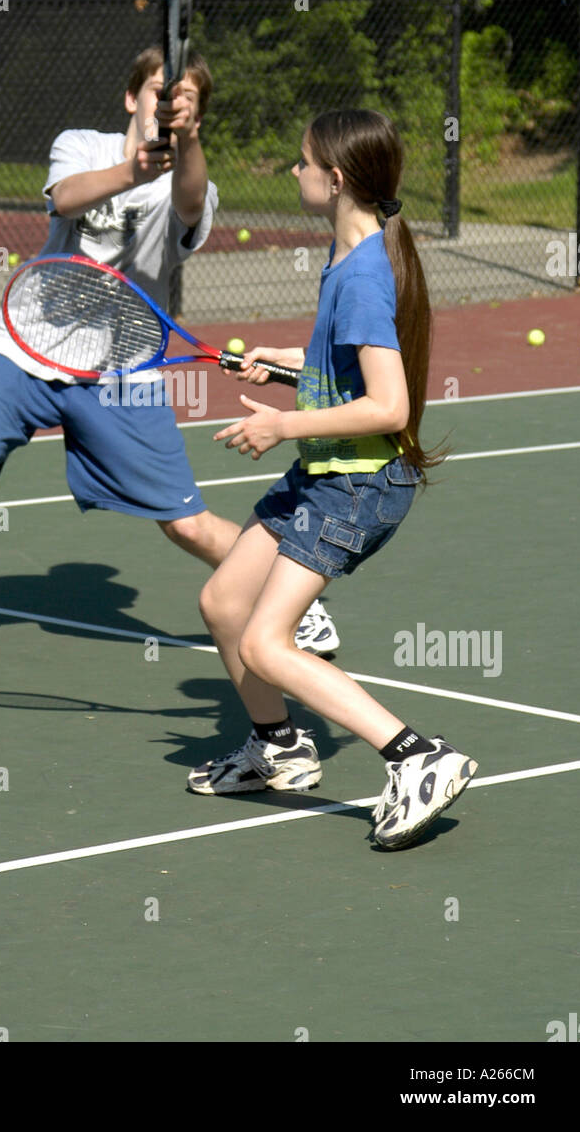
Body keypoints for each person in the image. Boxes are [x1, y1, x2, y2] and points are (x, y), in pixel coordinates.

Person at [0, 48, 339, 687]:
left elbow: (191, 202)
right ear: (131, 98)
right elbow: (64, 199)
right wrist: (131, 168)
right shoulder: (81, 146)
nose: (169, 107)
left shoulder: (194, 179)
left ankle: (295, 601)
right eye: (160, 94)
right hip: (26, 347)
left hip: (124, 373)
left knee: (188, 523)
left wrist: (185, 143)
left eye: (187, 101)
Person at [188, 109, 477, 850]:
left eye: (302, 162)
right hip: (325, 472)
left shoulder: (365, 277)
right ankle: (279, 748)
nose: (295, 171)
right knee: (223, 601)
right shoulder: (355, 252)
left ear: (337, 178)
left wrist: (280, 423)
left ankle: (418, 757)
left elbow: (388, 404)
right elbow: (340, 368)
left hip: (356, 485)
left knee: (267, 644)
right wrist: (284, 363)